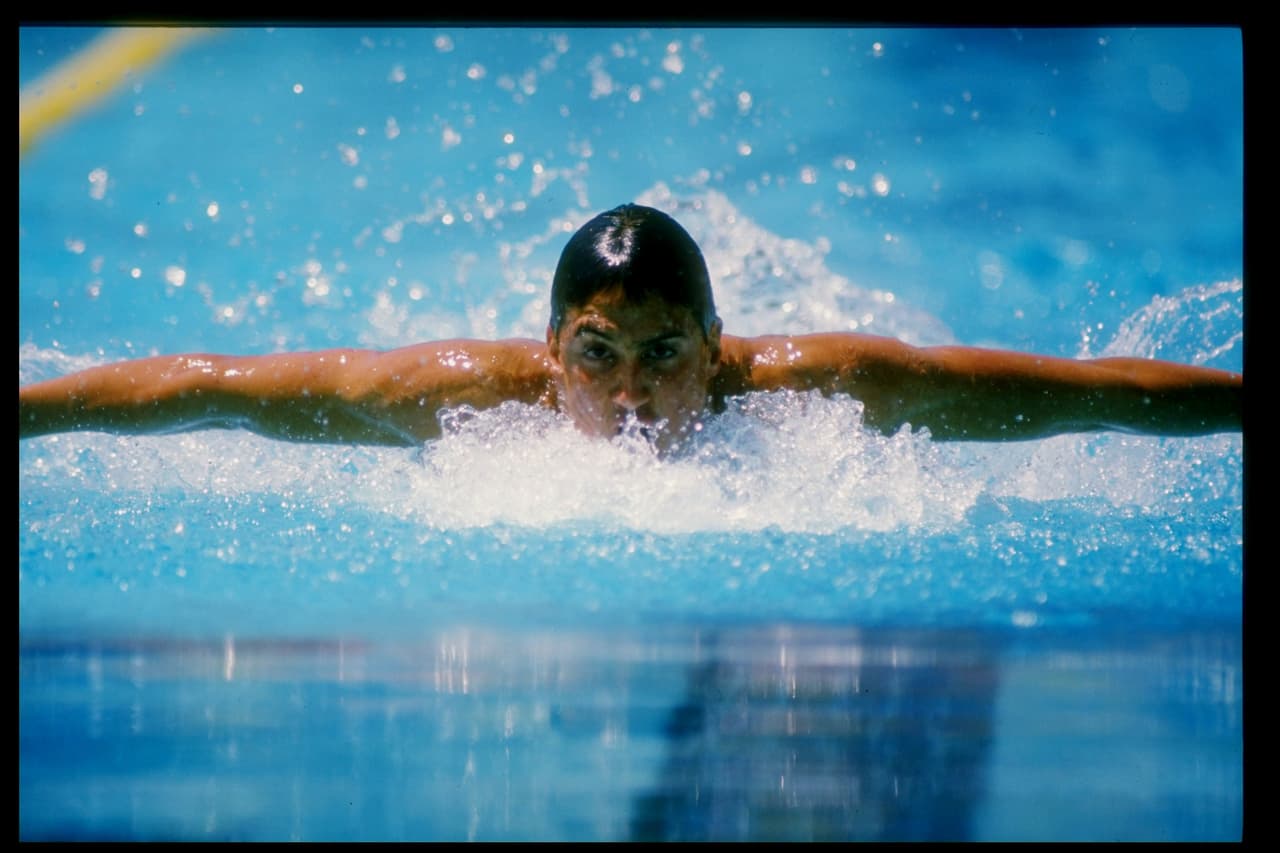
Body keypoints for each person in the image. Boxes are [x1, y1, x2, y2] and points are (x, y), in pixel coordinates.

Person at [18, 203, 1242, 456]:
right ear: (551, 353)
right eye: (597, 358)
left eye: (666, 357)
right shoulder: (448, 397)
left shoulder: (827, 389)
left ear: (717, 347)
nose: (635, 396)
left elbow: (1086, 390)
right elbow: (212, 382)